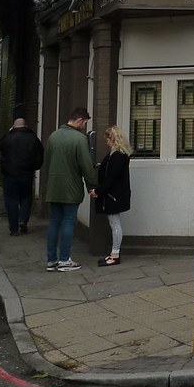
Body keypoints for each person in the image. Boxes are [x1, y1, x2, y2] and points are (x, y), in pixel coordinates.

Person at [42, 107, 97, 272]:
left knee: (54, 222)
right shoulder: (79, 139)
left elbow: (47, 162)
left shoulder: (53, 136)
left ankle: (51, 260)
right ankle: (64, 260)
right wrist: (92, 186)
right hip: (71, 187)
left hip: (53, 187)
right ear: (80, 120)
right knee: (68, 222)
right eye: (85, 123)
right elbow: (86, 165)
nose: (84, 126)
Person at [90, 125, 131, 266]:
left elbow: (111, 178)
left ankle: (115, 254)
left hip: (113, 195)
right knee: (114, 223)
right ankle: (114, 253)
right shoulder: (118, 155)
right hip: (113, 195)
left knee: (114, 224)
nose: (106, 141)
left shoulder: (117, 156)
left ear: (113, 138)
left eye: (107, 138)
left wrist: (98, 191)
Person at [0, 118, 44, 236]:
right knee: (26, 197)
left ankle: (14, 228)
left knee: (11, 200)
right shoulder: (32, 137)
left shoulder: (7, 138)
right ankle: (23, 220)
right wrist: (35, 167)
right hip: (26, 173)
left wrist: (9, 132)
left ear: (13, 126)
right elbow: (39, 154)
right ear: (25, 126)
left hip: (10, 174)